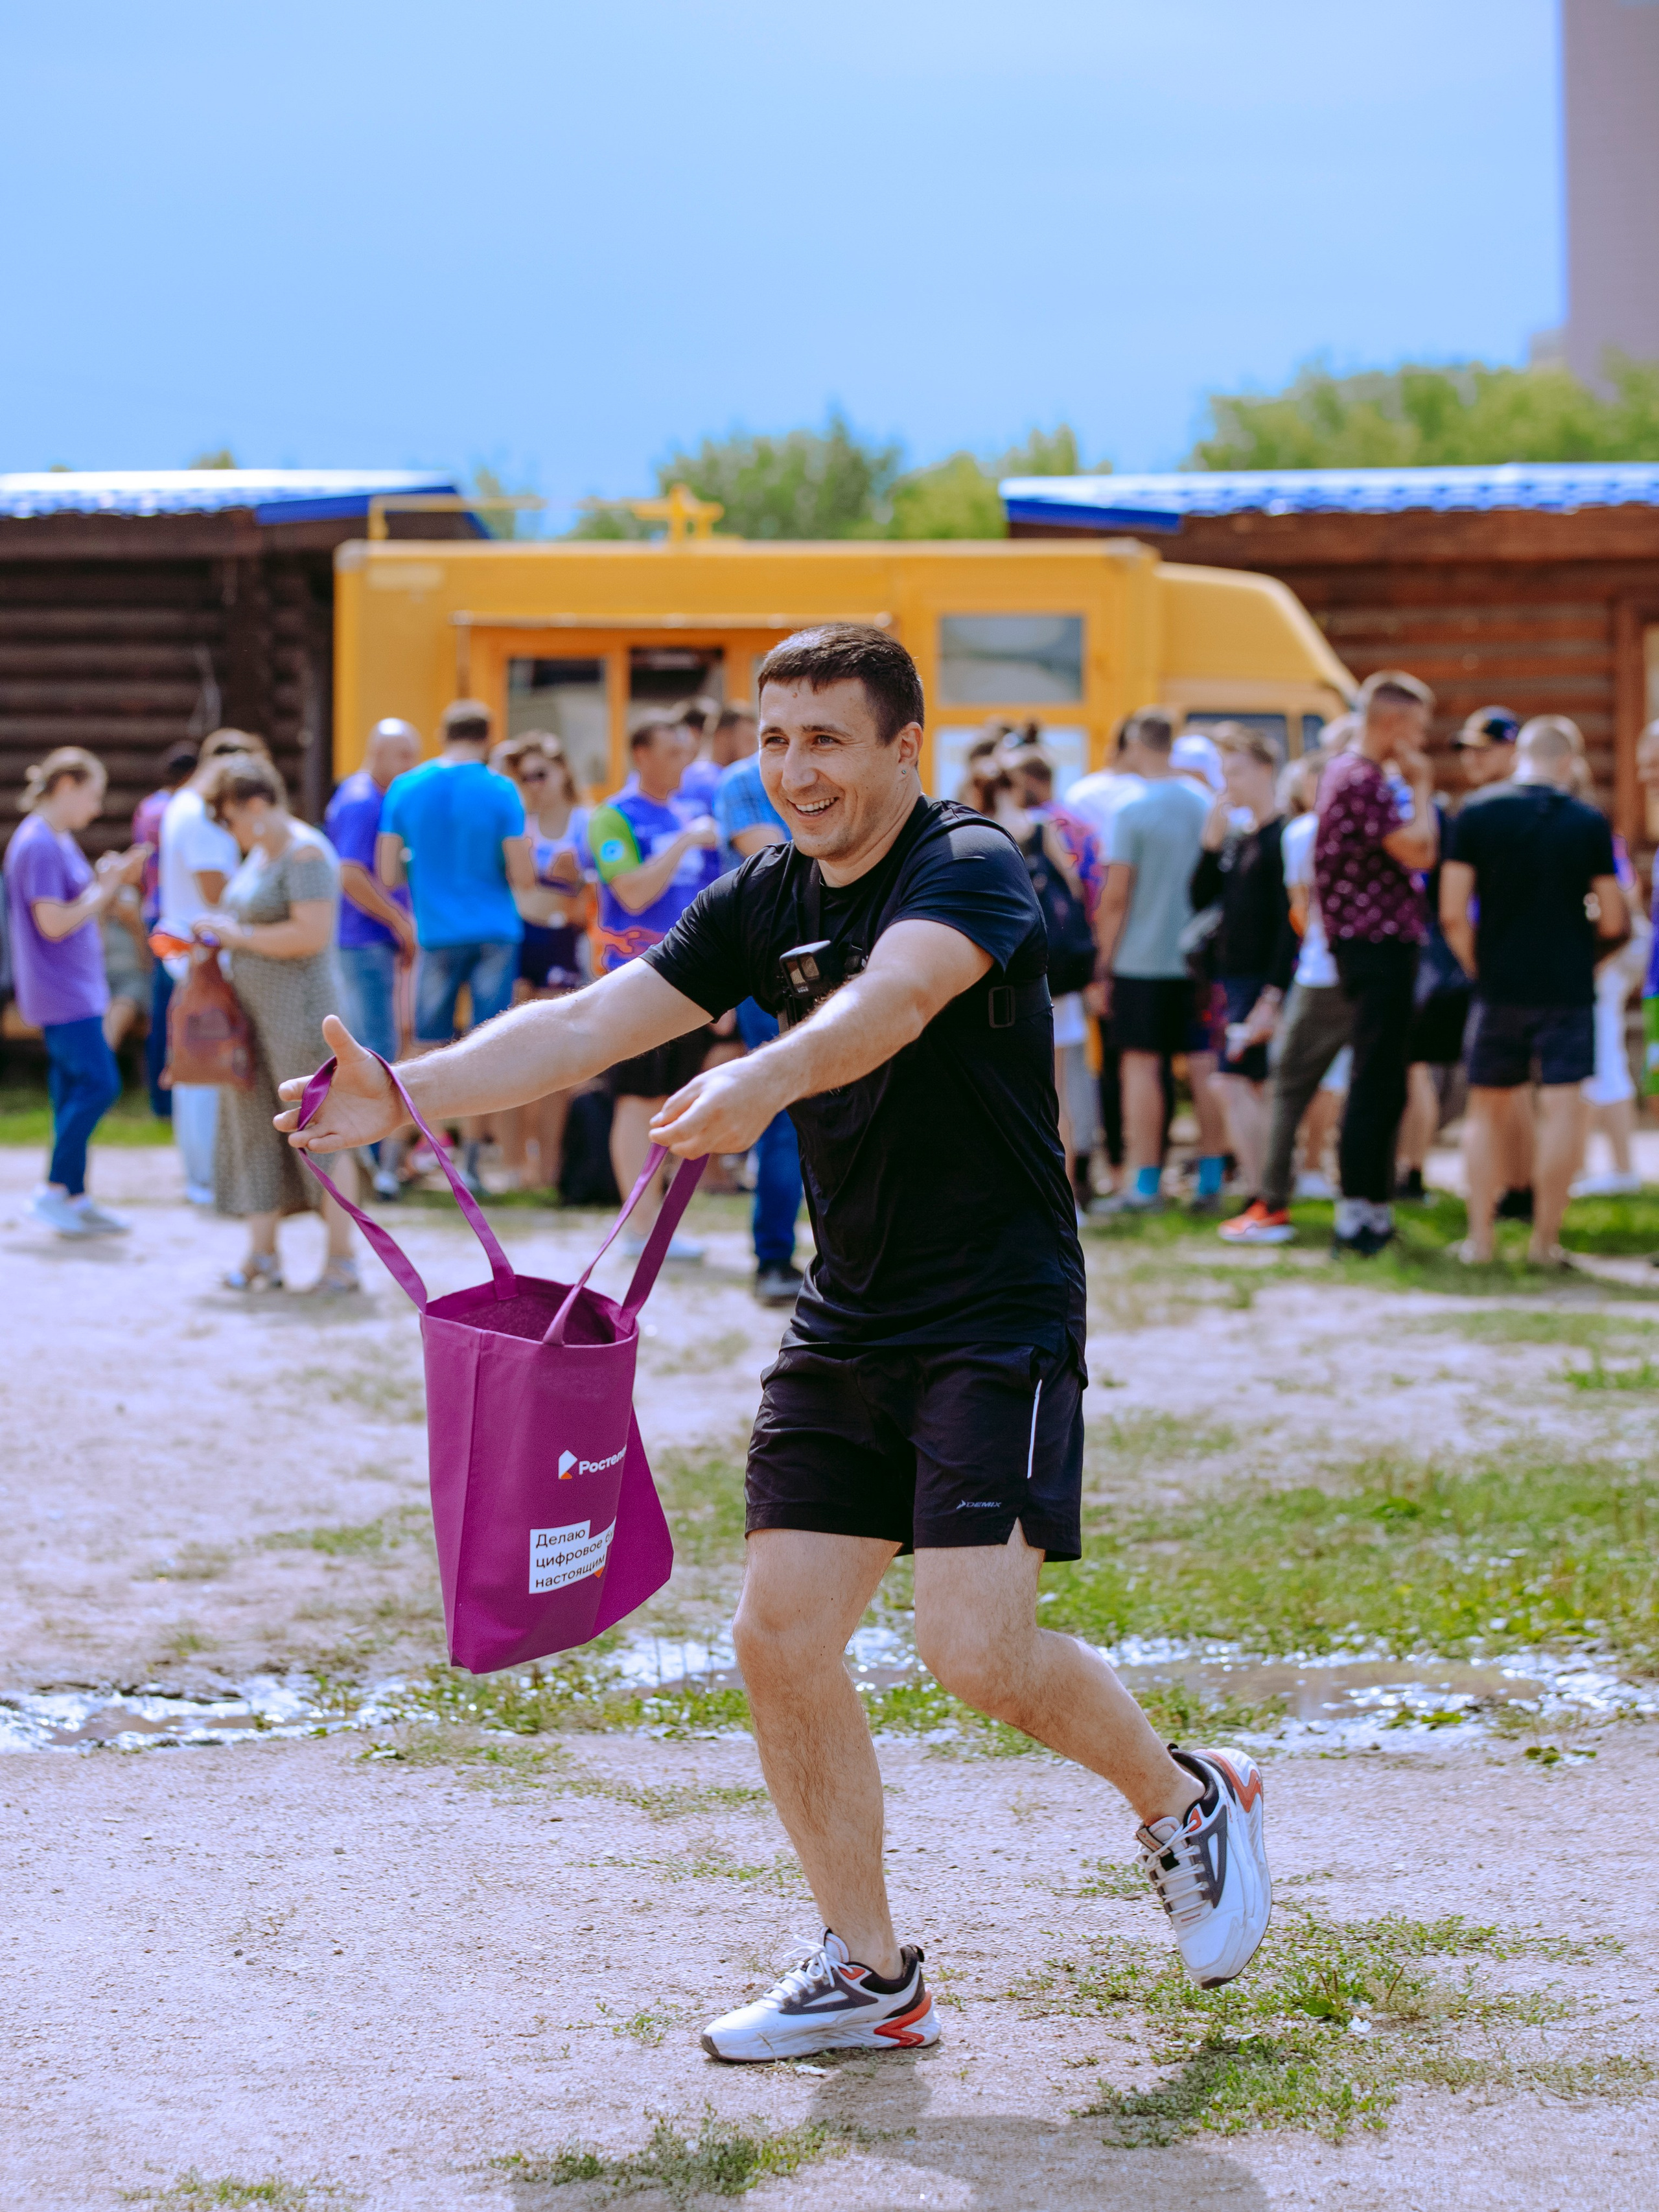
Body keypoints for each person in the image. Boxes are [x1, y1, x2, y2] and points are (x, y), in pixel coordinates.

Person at [280, 622, 1271, 2060]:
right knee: (781, 1633)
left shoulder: (969, 863)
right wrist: (406, 1088)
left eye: (827, 740)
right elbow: (589, 1022)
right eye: (774, 738)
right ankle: (871, 1973)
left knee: (974, 1648)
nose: (794, 770)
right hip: (848, 1308)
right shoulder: (765, 891)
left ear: (904, 748)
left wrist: (766, 1071)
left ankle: (1187, 1797)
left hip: (995, 1307)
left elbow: (895, 1000)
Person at [1442, 716, 1627, 1266]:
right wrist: (1586, 955)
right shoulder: (1587, 821)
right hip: (1568, 986)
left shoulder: (1476, 813)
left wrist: (1479, 967)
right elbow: (1614, 918)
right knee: (1564, 1108)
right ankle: (1545, 1243)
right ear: (1568, 761)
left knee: (1485, 1110)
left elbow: (1452, 913)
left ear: (1521, 753)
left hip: (1499, 984)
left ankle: (1480, 1241)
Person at [198, 753, 361, 1293]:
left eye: (230, 817)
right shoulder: (261, 856)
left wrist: (239, 936)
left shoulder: (306, 851)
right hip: (253, 1020)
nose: (229, 830)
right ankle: (262, 1255)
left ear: (256, 804)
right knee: (254, 1131)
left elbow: (310, 933)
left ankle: (341, 1260)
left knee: (323, 1130)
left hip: (303, 1018)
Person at [377, 698, 533, 1196]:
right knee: (486, 1046)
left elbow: (387, 872)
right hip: (494, 931)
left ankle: (389, 1163)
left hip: (437, 932)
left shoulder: (406, 787)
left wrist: (421, 863)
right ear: (487, 737)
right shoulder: (500, 789)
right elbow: (522, 873)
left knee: (425, 1046)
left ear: (442, 734)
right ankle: (470, 1166)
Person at [1313, 671, 1438, 1256]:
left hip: (1374, 943)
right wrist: (1424, 785)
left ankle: (1374, 1207)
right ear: (1393, 723)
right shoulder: (1361, 778)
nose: (1422, 741)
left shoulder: (1352, 774)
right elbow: (1420, 849)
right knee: (1374, 1080)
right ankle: (1358, 1215)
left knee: (1384, 1080)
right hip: (1376, 945)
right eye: (1419, 728)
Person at [588, 717, 720, 1256]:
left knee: (670, 1102)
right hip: (635, 978)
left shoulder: (691, 814)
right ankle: (637, 1228)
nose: (682, 763)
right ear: (640, 753)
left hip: (691, 980)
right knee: (637, 1099)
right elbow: (633, 892)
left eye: (685, 752)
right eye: (670, 752)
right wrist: (684, 842)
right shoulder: (613, 816)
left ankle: (659, 1224)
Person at [4, 747, 148, 1237]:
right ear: (66, 785)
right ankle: (51, 1191)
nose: (96, 808)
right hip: (62, 992)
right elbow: (52, 921)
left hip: (75, 988)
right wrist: (106, 890)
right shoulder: (40, 844)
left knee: (71, 1089)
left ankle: (74, 1194)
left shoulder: (55, 839)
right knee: (100, 1084)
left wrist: (106, 882)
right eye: (92, 795)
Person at [1222, 730, 1356, 1245]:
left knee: (1285, 1086)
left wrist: (1273, 994)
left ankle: (1271, 1200)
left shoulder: (1301, 832)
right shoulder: (1373, 826)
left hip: (1317, 973)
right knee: (1355, 1086)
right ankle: (1361, 1204)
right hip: (1367, 968)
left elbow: (1297, 917)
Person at [1095, 708, 1227, 1213]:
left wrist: (1101, 962)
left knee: (1141, 1067)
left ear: (1134, 743)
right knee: (1204, 1064)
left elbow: (1116, 895)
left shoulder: (1130, 808)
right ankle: (1211, 1178)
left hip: (1141, 959)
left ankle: (1146, 1185)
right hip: (1200, 960)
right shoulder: (1205, 801)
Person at [157, 728, 270, 1204]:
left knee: (197, 1063)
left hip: (194, 952)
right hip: (204, 955)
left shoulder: (184, 804)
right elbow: (215, 891)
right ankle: (205, 1175)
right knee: (208, 1064)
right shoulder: (201, 815)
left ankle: (200, 1173)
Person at [713, 727, 805, 1304]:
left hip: (849, 957)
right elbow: (777, 857)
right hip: (770, 965)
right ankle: (774, 1257)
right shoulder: (743, 780)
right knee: (786, 1110)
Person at [1189, 727, 1295, 1203]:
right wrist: (1211, 845)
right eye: (1224, 772)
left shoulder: (1283, 836)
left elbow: (1289, 924)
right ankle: (1264, 1192)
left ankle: (1264, 1194)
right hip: (1234, 980)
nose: (1228, 782)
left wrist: (1273, 994)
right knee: (1244, 1085)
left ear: (1266, 770)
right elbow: (1200, 899)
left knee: (1235, 1082)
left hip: (1261, 982)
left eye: (1237, 771)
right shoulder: (1238, 837)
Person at [1005, 746, 1106, 1214]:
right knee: (1057, 1090)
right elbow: (1078, 889)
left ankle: (1032, 1196)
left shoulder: (976, 828)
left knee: (1023, 1092)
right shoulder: (1050, 827)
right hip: (1052, 976)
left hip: (1007, 977)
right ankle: (1063, 1198)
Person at [493, 735, 588, 1193]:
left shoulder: (585, 822)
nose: (533, 784)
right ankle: (513, 1164)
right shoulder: (516, 820)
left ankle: (549, 1165)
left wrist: (575, 882)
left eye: (540, 774)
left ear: (563, 771)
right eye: (524, 777)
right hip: (519, 938)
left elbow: (600, 890)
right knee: (510, 1053)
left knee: (554, 1058)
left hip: (562, 939)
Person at [133, 740, 198, 1119]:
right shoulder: (177, 810)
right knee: (174, 1005)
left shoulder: (148, 807)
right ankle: (167, 1097)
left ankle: (160, 1098)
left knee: (162, 1006)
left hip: (152, 909)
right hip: (172, 915)